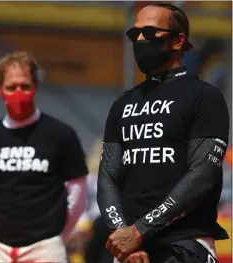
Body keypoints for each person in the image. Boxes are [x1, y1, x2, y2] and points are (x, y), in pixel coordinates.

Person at [97, 3, 229, 263]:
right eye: (135, 34)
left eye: (149, 32)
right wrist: (124, 236)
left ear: (178, 40)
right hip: (131, 251)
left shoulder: (204, 97)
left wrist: (139, 231)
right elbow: (108, 176)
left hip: (184, 245)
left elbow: (202, 175)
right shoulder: (122, 105)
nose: (140, 40)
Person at [0, 51, 88, 263]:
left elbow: (78, 194)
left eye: (24, 86)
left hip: (45, 248)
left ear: (35, 87)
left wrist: (55, 236)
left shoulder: (61, 135)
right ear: (0, 90)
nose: (18, 93)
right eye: (11, 87)